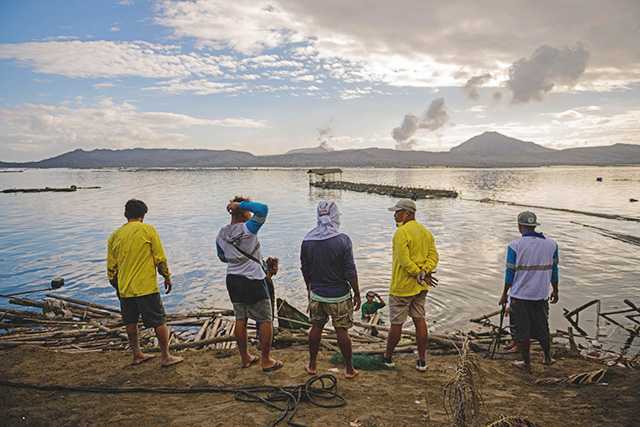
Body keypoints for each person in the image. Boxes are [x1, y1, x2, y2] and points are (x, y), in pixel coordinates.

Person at [107, 199, 183, 367]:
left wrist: (116, 284)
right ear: (143, 215)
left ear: (126, 214)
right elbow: (159, 258)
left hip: (125, 287)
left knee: (130, 322)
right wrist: (167, 276)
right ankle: (165, 356)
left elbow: (111, 266)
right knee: (159, 321)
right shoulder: (148, 230)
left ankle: (137, 355)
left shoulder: (115, 236)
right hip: (146, 287)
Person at [216, 196, 283, 372]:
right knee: (265, 319)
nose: (251, 212)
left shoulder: (222, 234)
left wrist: (237, 258)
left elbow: (222, 257)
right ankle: (266, 359)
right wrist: (240, 204)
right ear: (243, 211)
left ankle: (245, 357)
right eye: (247, 210)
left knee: (240, 318)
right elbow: (264, 209)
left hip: (233, 279)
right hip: (253, 280)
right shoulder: (248, 229)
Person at [301, 201, 361, 379]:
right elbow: (350, 271)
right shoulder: (343, 240)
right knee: (342, 331)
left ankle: (312, 365)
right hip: (339, 296)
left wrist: (309, 289)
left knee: (316, 328)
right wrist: (357, 293)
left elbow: (305, 269)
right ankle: (349, 369)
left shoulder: (307, 240)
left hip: (317, 294)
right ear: (335, 216)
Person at [499, 211, 559, 373]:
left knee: (521, 330)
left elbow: (509, 273)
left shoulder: (515, 246)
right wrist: (556, 289)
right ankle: (548, 357)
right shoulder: (552, 244)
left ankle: (526, 363)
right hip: (541, 295)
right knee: (542, 327)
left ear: (520, 226)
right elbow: (554, 270)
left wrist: (505, 294)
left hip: (520, 296)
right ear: (534, 225)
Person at [383, 199, 439, 372]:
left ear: (407, 213)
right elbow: (434, 257)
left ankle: (388, 358)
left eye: (397, 212)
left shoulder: (401, 233)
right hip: (421, 287)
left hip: (402, 287)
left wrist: (418, 273)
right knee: (419, 320)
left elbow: (404, 261)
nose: (394, 215)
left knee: (396, 324)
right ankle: (422, 360)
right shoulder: (426, 232)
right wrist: (424, 271)